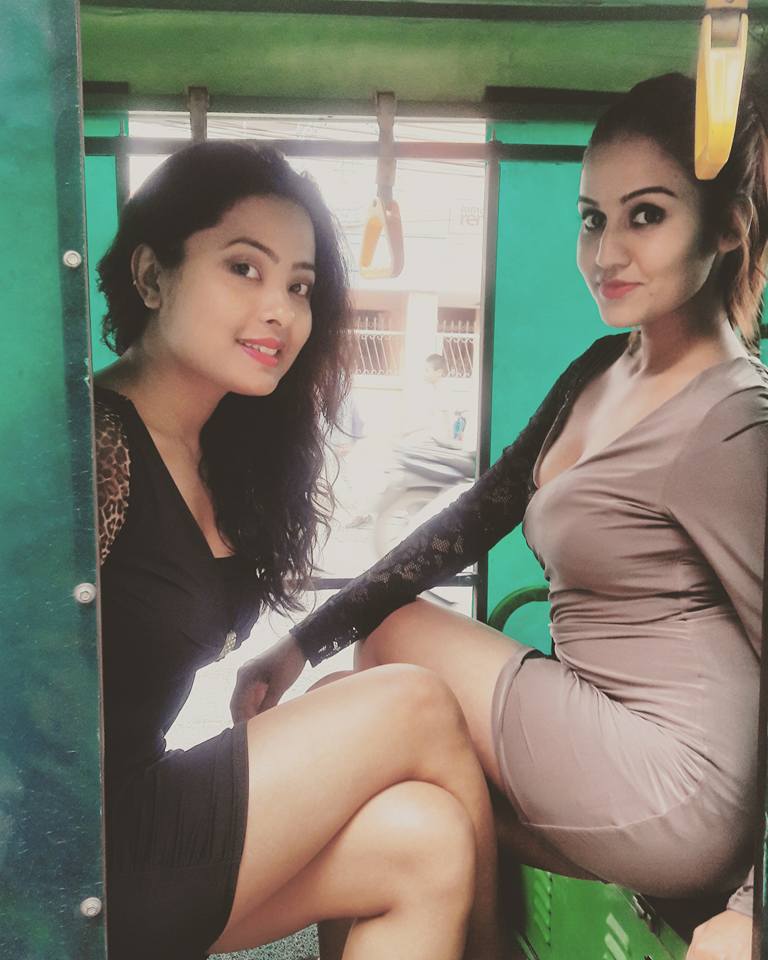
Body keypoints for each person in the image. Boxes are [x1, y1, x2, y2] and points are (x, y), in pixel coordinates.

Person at [233, 74, 768, 960]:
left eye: (646, 215)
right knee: (380, 779)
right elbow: (474, 516)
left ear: (727, 228)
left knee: (393, 650)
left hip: (675, 781)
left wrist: (754, 909)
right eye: (592, 218)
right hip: (595, 730)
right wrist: (303, 643)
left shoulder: (733, 422)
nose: (606, 252)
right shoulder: (600, 367)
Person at [93, 141, 504, 960]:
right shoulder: (95, 445)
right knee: (414, 702)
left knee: (424, 840)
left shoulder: (222, 453)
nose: (279, 309)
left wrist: (294, 649)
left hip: (143, 814)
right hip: (78, 848)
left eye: (299, 286)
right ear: (150, 277)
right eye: (244, 268)